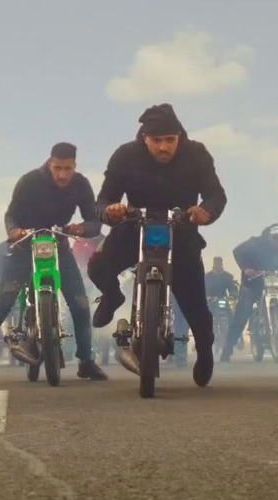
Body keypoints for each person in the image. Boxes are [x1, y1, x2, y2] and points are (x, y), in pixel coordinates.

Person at [90, 104, 226, 387]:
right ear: (144, 138)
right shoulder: (125, 155)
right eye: (156, 141)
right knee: (97, 266)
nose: (163, 147)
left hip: (181, 231)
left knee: (196, 308)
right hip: (133, 227)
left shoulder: (197, 153)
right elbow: (102, 200)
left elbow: (216, 195)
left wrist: (205, 212)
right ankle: (113, 296)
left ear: (179, 136)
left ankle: (203, 351)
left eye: (170, 140)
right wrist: (111, 211)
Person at [0, 143, 107, 379]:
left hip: (59, 245)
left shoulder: (81, 184)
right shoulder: (29, 182)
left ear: (74, 165)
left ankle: (86, 360)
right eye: (58, 167)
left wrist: (81, 228)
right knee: (4, 299)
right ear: (50, 163)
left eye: (68, 168)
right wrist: (14, 230)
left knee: (80, 304)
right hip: (25, 245)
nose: (63, 174)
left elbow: (94, 221)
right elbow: (10, 215)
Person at [223, 230, 278, 362]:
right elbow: (237, 251)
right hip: (253, 281)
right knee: (242, 313)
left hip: (276, 279)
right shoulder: (255, 243)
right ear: (274, 240)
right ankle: (227, 351)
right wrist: (246, 268)